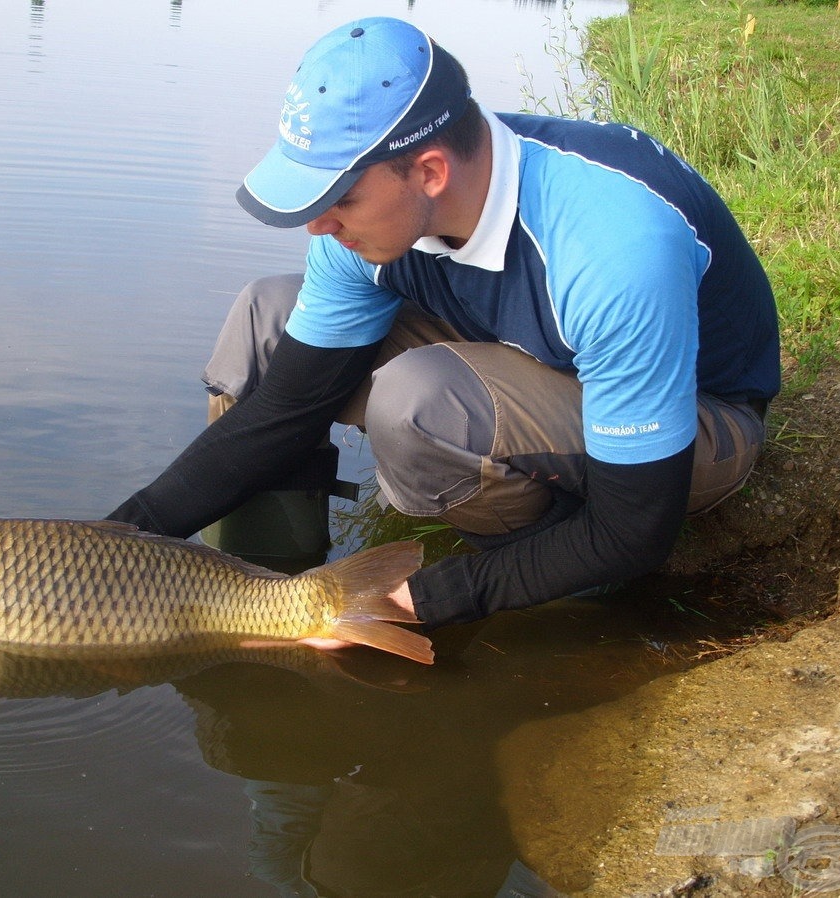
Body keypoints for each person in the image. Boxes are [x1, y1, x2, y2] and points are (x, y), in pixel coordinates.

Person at [107, 17, 779, 638]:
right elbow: (285, 410)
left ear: (429, 172)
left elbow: (636, 528)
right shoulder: (382, 218)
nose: (317, 224)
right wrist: (112, 545)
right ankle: (257, 582)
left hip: (698, 419)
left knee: (420, 404)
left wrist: (426, 599)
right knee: (268, 317)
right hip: (536, 365)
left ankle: (568, 588)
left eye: (338, 198)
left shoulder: (613, 246)